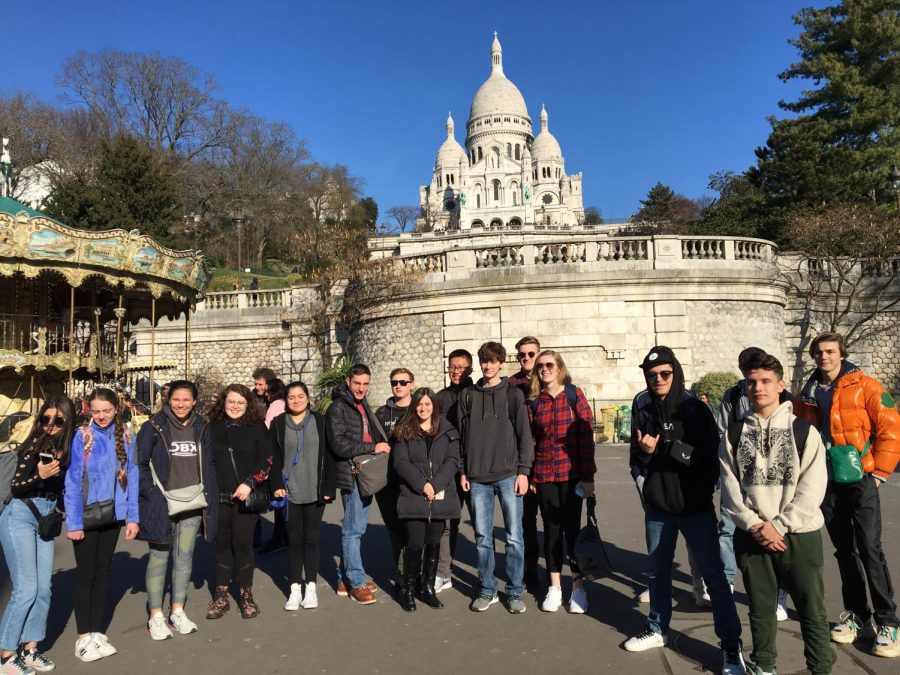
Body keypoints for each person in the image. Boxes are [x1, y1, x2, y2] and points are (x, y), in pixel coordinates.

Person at [625, 346, 745, 675]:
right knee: (658, 574)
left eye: (665, 373)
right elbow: (638, 457)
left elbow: (707, 462)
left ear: (675, 373)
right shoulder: (643, 406)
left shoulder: (695, 410)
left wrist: (666, 447)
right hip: (659, 507)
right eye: (652, 375)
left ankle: (731, 646)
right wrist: (648, 459)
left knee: (715, 578)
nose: (658, 379)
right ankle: (658, 628)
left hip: (694, 507)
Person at [720, 352, 831, 675]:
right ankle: (764, 666)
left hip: (799, 535)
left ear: (781, 385)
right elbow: (730, 489)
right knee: (761, 609)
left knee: (811, 609)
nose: (758, 388)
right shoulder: (733, 434)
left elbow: (812, 488)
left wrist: (779, 526)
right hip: (753, 535)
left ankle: (820, 668)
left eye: (766, 381)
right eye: (752, 382)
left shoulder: (804, 431)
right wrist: (756, 525)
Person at [794, 332, 900, 658]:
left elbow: (890, 428)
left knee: (870, 548)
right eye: (819, 352)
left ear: (841, 353)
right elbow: (800, 435)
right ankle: (856, 617)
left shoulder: (866, 386)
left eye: (830, 351)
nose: (824, 357)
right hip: (826, 481)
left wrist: (880, 473)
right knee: (844, 550)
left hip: (861, 478)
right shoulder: (808, 393)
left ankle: (888, 622)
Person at [137, 380, 218, 641]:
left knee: (184, 558)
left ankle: (178, 610)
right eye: (176, 399)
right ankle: (156, 616)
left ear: (195, 401)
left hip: (193, 501)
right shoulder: (153, 427)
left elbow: (210, 463)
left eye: (186, 400)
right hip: (162, 503)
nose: (181, 404)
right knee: (159, 558)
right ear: (168, 400)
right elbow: (139, 463)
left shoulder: (203, 427)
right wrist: (151, 493)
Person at [0, 396, 75, 674]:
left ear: (67, 421)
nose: (50, 425)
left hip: (44, 518)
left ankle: (30, 648)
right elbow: (17, 486)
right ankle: (6, 654)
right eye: (45, 419)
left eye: (58, 420)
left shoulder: (66, 448)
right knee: (26, 588)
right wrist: (40, 474)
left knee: (44, 589)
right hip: (19, 515)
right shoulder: (34, 444)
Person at [64, 388, 140, 662]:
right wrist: (73, 523)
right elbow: (72, 481)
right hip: (85, 515)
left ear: (116, 409)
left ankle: (97, 631)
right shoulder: (83, 437)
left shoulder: (126, 436)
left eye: (106, 411)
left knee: (104, 572)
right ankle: (83, 637)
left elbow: (132, 475)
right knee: (86, 575)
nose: (101, 416)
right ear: (89, 410)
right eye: (96, 411)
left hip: (112, 515)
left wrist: (132, 517)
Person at [718, 347, 793, 621]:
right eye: (746, 369)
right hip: (742, 476)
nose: (756, 384)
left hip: (775, 481)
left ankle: (779, 595)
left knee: (779, 537)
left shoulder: (779, 393)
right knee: (727, 529)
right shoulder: (733, 395)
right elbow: (723, 431)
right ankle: (727, 581)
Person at [459, 341, 534, 614]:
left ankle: (514, 591)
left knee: (514, 537)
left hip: (508, 475)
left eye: (492, 361)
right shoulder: (467, 395)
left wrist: (524, 472)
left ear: (501, 362)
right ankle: (488, 588)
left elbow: (524, 436)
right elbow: (461, 437)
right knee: (482, 537)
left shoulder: (513, 395)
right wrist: (464, 470)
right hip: (477, 477)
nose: (487, 366)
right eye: (483, 361)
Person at [528, 350, 596, 614]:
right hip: (545, 474)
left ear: (559, 368)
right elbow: (531, 442)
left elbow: (586, 436)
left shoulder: (573, 394)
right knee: (552, 531)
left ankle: (578, 587)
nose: (544, 369)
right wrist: (532, 474)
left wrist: (588, 477)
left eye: (549, 364)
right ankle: (555, 586)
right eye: (540, 366)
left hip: (571, 474)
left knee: (572, 530)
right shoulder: (534, 402)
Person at [206, 384, 272, 620]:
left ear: (248, 404)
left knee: (243, 545)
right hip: (219, 497)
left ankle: (246, 594)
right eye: (231, 401)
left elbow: (266, 459)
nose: (235, 406)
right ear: (223, 403)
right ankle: (221, 595)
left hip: (246, 496)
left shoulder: (257, 427)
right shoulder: (211, 427)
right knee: (222, 545)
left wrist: (249, 483)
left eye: (240, 402)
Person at [326, 363, 390, 605]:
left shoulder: (361, 405)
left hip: (364, 473)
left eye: (365, 384)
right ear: (347, 382)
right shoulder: (337, 408)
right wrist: (373, 447)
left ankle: (344, 580)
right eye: (357, 383)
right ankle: (356, 582)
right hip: (352, 475)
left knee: (354, 529)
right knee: (353, 531)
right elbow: (339, 445)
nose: (361, 388)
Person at [269, 382, 336, 611]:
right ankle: (295, 588)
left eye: (300, 396)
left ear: (308, 398)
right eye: (291, 397)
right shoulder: (279, 424)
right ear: (286, 401)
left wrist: (329, 487)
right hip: (290, 491)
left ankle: (311, 587)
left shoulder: (320, 421)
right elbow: (274, 457)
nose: (296, 401)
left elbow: (329, 455)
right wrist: (275, 483)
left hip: (315, 490)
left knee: (312, 539)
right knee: (294, 540)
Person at [392, 388, 461, 611]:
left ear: (434, 407)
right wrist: (423, 484)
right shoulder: (404, 431)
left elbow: (453, 461)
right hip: (415, 495)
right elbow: (401, 463)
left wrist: (436, 484)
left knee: (434, 542)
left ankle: (428, 588)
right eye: (419, 404)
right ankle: (409, 589)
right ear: (414, 406)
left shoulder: (448, 431)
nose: (423, 408)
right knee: (414, 543)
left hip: (439, 496)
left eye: (427, 404)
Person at [434, 348, 474, 593]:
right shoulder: (440, 398)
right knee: (447, 523)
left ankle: (486, 573)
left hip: (476, 469)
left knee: (480, 524)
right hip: (449, 468)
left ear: (470, 369)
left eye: (461, 367)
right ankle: (444, 572)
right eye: (453, 367)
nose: (456, 371)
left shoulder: (478, 394)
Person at [374, 367, 414, 588]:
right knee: (396, 530)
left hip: (413, 482)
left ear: (411, 384)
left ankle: (416, 571)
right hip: (387, 482)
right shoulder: (381, 413)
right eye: (394, 382)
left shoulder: (420, 408)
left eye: (403, 382)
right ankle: (402, 574)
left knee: (416, 530)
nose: (398, 385)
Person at [508, 336, 542, 591]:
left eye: (531, 354)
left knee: (555, 523)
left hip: (550, 462)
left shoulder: (552, 378)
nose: (527, 358)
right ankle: (530, 570)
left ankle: (557, 572)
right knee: (525, 522)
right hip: (523, 463)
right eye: (522, 355)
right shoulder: (512, 385)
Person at [260, 378, 288, 554]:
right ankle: (283, 537)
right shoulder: (285, 404)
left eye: (267, 390)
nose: (264, 393)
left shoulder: (275, 405)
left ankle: (280, 538)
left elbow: (267, 430)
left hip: (276, 456)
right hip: (287, 455)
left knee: (279, 501)